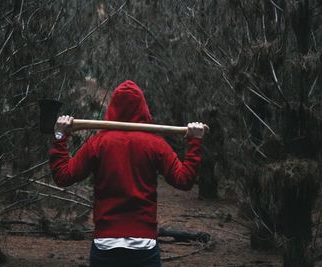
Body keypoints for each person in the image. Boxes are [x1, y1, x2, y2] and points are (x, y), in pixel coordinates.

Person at [49, 80, 205, 267]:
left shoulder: (98, 143)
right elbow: (184, 180)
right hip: (143, 246)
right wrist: (195, 142)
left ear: (113, 107)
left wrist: (60, 136)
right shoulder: (155, 144)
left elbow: (62, 176)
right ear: (143, 107)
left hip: (106, 245)